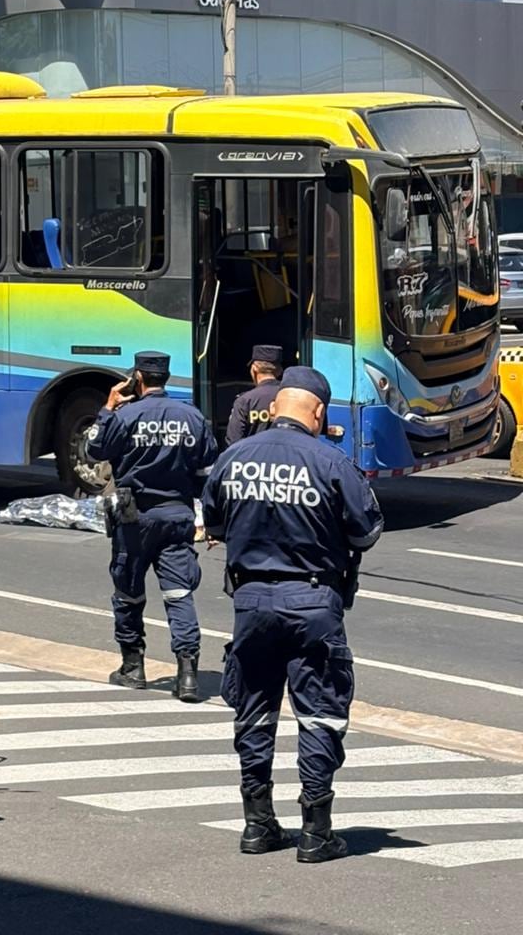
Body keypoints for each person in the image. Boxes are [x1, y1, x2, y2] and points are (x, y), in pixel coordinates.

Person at [201, 366, 383, 863]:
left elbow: (213, 520)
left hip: (251, 601)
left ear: (276, 406)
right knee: (320, 712)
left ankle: (257, 826)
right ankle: (316, 832)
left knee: (254, 711)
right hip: (313, 602)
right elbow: (366, 532)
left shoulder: (233, 458)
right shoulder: (331, 462)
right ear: (318, 412)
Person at [86, 351, 218, 703]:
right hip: (177, 515)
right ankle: (188, 676)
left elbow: (94, 449)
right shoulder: (191, 416)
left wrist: (108, 406)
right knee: (179, 594)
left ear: (138, 379)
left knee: (129, 591)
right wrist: (208, 518)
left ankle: (133, 667)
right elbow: (208, 472)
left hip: (134, 517)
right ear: (167, 378)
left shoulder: (125, 415)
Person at [224, 344, 284, 446]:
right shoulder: (290, 398)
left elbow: (233, 441)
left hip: (252, 459)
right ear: (279, 371)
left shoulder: (244, 401)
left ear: (254, 369)